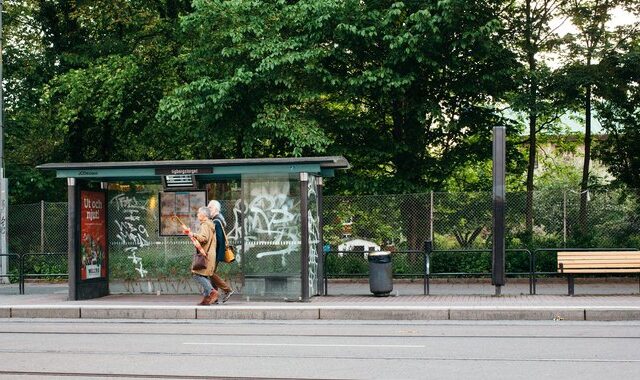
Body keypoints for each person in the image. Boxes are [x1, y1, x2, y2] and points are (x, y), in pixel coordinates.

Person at [188, 207, 219, 306]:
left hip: (206, 254)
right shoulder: (210, 225)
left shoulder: (205, 225)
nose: (197, 214)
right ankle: (206, 299)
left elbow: (204, 239)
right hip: (210, 253)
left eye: (198, 213)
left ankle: (211, 292)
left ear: (203, 215)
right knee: (203, 275)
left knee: (196, 275)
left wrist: (193, 234)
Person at [208, 200, 234, 303]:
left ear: (215, 209)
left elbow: (218, 239)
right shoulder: (219, 219)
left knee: (210, 272)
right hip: (216, 252)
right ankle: (215, 297)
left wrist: (211, 250)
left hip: (214, 252)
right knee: (211, 273)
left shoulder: (216, 221)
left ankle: (228, 290)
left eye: (210, 207)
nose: (208, 209)